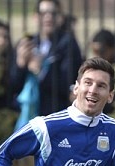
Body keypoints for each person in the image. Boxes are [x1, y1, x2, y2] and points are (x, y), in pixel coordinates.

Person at [10, 0, 83, 129]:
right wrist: (21, 65)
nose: (48, 17)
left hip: (55, 117)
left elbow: (67, 82)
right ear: (35, 17)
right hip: (27, 117)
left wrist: (40, 71)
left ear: (60, 17)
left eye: (53, 13)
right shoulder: (28, 43)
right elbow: (13, 86)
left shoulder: (68, 44)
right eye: (43, 13)